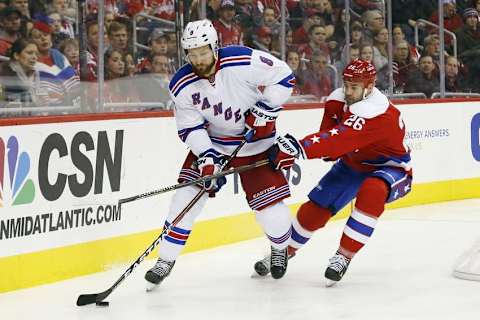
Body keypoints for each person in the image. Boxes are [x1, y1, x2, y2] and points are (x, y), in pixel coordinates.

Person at [144, 19, 296, 289]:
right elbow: (190, 126)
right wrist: (207, 156)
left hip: (256, 143)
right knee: (184, 199)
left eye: (203, 52)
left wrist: (266, 108)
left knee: (271, 212)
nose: (199, 59)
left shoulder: (241, 59)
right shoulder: (181, 84)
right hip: (213, 144)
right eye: (192, 54)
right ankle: (165, 260)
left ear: (215, 46)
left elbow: (283, 76)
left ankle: (279, 248)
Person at [254, 59, 413, 286]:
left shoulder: (378, 114)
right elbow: (329, 143)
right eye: (346, 85)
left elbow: (340, 139)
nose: (347, 91)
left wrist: (299, 148)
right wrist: (305, 150)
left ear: (369, 88)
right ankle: (285, 251)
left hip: (391, 167)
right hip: (353, 165)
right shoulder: (337, 100)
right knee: (315, 208)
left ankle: (344, 255)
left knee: (373, 191)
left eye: (354, 87)